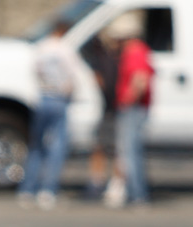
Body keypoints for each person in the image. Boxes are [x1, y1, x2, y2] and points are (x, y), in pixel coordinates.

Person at [16, 19, 84, 211]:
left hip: (43, 97)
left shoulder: (41, 47)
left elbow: (35, 71)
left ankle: (27, 189)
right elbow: (72, 76)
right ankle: (48, 190)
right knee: (57, 146)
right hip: (59, 99)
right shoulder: (65, 49)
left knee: (37, 145)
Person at [104, 12, 153, 208]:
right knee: (130, 151)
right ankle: (136, 192)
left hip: (132, 108)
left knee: (129, 152)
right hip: (135, 108)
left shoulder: (135, 51)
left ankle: (137, 194)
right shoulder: (138, 50)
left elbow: (140, 80)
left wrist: (127, 100)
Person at [80, 34, 119, 200]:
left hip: (111, 109)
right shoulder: (114, 59)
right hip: (113, 108)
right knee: (110, 149)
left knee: (104, 148)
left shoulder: (101, 61)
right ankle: (111, 185)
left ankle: (102, 184)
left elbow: (101, 84)